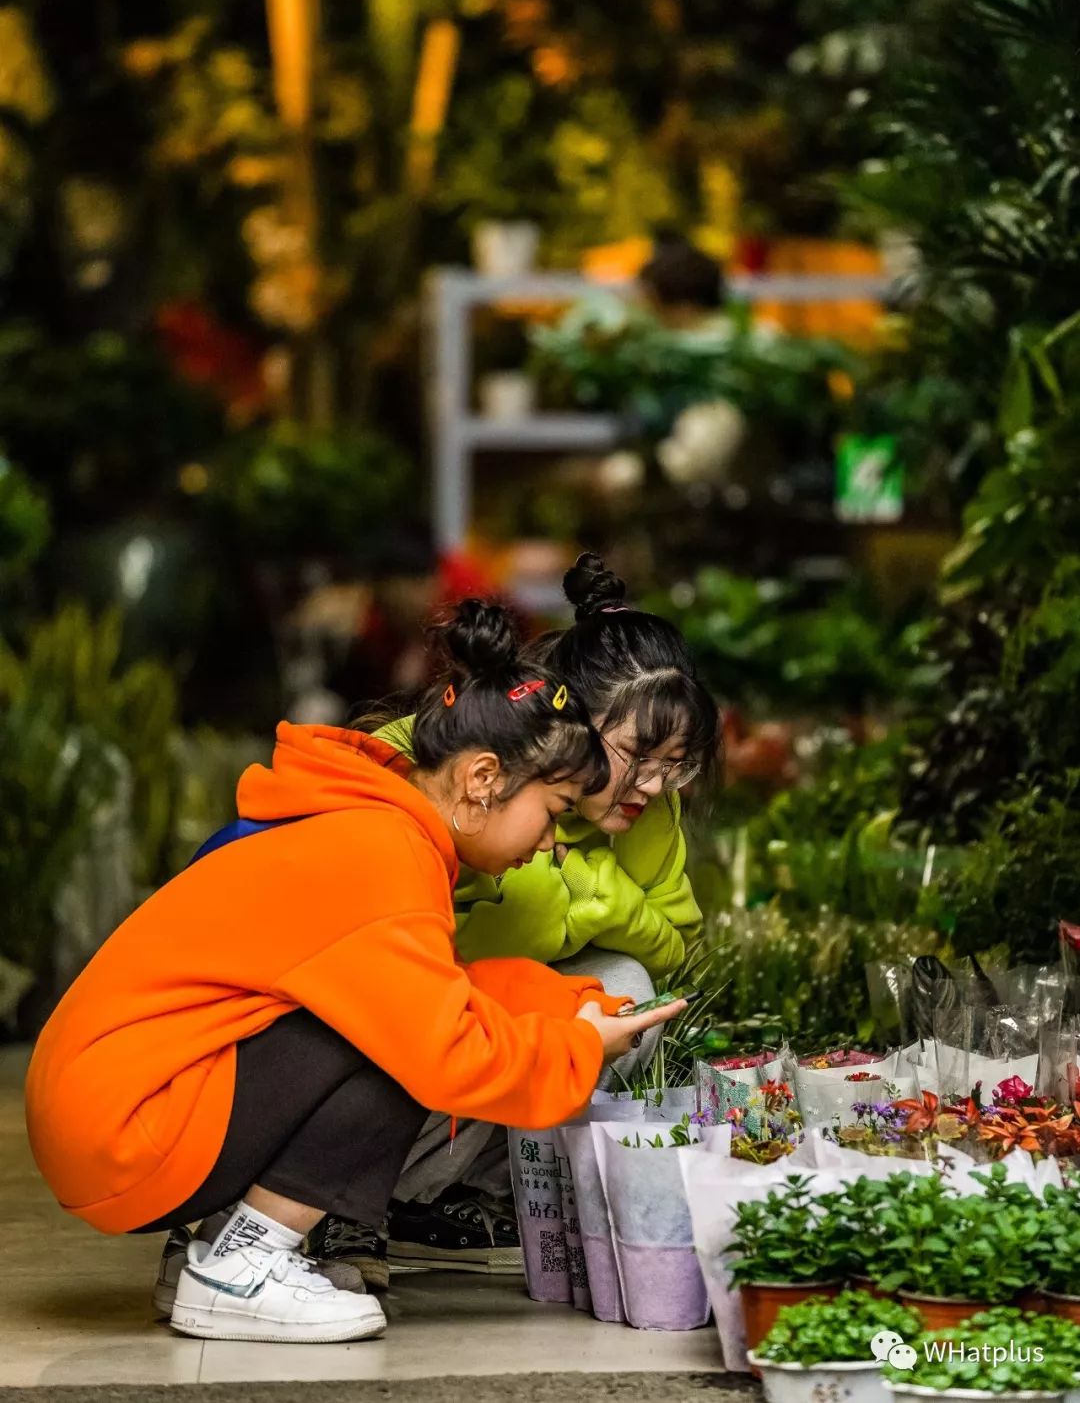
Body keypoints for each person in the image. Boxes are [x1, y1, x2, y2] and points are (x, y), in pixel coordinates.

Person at [25, 600, 684, 1346]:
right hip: (124, 1131)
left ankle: (224, 1254)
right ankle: (242, 1265)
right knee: (396, 1047)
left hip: (118, 1106)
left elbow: (456, 991)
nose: (550, 842)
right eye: (555, 810)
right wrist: (579, 1049)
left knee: (403, 1017)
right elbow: (445, 1052)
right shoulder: (384, 855)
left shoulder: (382, 824)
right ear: (483, 779)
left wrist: (573, 1004)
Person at [312, 551, 719, 1284]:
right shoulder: (455, 762)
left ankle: (442, 1196)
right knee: (457, 1005)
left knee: (621, 988)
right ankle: (338, 1197)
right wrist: (543, 910)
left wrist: (589, 896)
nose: (654, 785)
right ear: (572, 723)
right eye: (636, 755)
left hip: (474, 1008)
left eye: (675, 765)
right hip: (385, 1006)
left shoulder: (647, 807)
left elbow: (670, 949)